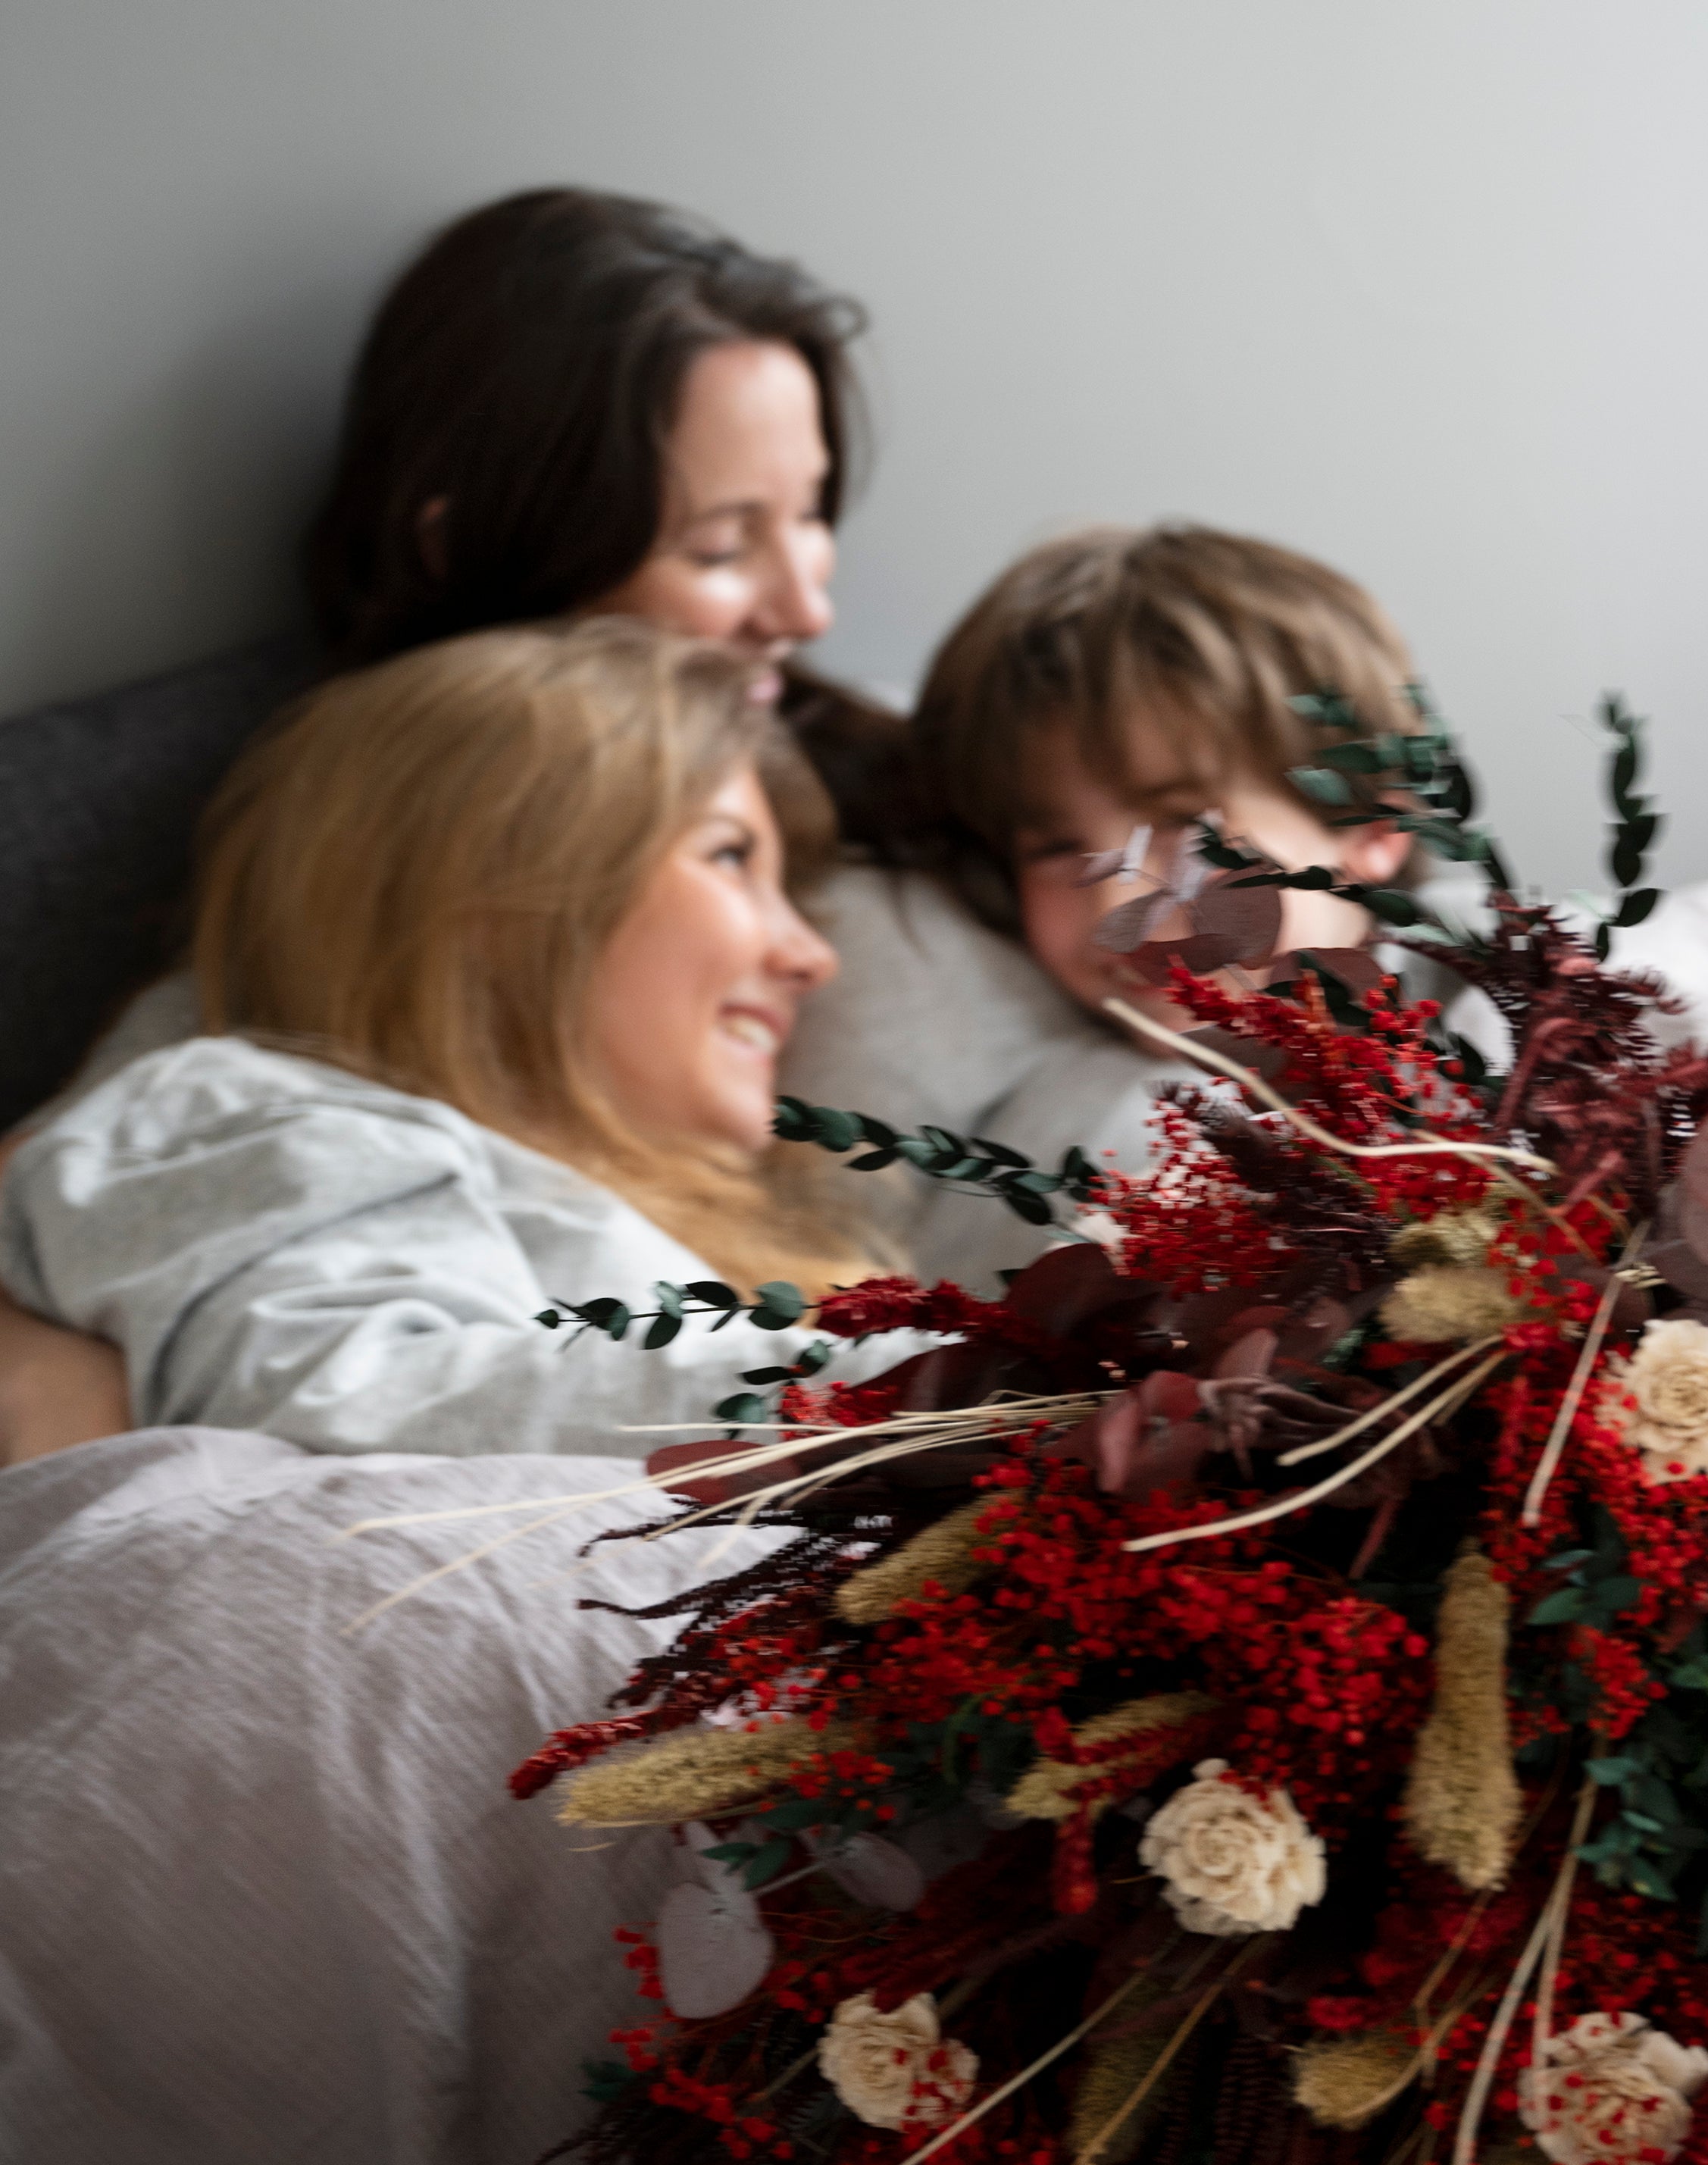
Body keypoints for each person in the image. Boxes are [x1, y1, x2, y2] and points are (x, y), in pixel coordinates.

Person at [0, 183, 1082, 1459]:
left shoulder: (926, 769)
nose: (805, 606)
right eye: (725, 545)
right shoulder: (287, 1022)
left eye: (811, 516)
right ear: (479, 557)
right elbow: (178, 1253)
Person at [2, 620, 923, 1459]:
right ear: (500, 898)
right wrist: (935, 1379)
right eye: (729, 856)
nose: (811, 956)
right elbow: (366, 1407)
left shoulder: (675, 1230)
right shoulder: (246, 1113)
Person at [821, 521, 1491, 1287]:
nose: (1114, 902)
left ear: (1373, 821)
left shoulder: (1522, 1019)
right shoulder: (1058, 1136)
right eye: (1051, 849)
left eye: (1184, 828)